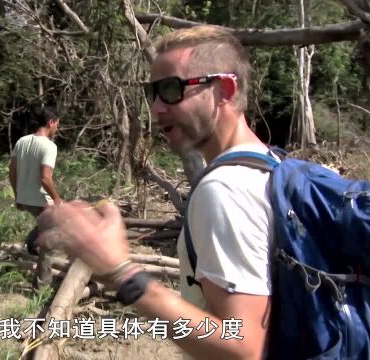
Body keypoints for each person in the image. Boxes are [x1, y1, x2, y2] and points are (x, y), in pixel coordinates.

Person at [36, 25, 276, 359]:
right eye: (154, 93)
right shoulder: (272, 166)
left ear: (224, 89)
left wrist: (121, 273)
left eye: (171, 90)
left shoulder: (223, 190)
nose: (157, 108)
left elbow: (244, 347)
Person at [9, 105, 63, 289]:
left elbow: (12, 171)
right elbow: (45, 178)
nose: (57, 127)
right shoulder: (49, 146)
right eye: (57, 124)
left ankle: (30, 244)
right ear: (50, 122)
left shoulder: (22, 141)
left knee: (44, 223)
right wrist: (57, 200)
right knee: (51, 241)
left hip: (25, 197)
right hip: (41, 201)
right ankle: (42, 286)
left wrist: (18, 195)